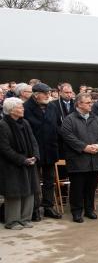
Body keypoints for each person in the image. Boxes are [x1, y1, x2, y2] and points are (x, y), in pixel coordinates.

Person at [59, 92, 98, 223]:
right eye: (87, 103)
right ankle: (76, 212)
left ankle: (89, 210)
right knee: (77, 188)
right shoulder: (69, 119)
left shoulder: (95, 118)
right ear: (79, 104)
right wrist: (84, 147)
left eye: (91, 102)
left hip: (95, 159)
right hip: (78, 160)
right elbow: (68, 136)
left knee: (91, 187)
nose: (91, 104)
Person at [23, 82, 62, 219]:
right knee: (34, 182)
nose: (48, 96)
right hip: (34, 151)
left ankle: (48, 207)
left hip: (50, 149)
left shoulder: (52, 107)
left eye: (49, 93)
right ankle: (34, 209)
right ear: (36, 94)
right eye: (45, 94)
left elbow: (58, 125)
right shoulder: (25, 108)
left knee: (49, 181)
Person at [0, 97, 38, 230]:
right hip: (12, 165)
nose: (23, 109)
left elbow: (33, 142)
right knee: (14, 193)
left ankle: (25, 218)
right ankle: (12, 221)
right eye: (20, 107)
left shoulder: (25, 123)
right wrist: (22, 160)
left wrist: (35, 156)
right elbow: (4, 148)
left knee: (30, 191)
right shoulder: (3, 125)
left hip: (29, 163)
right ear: (11, 110)